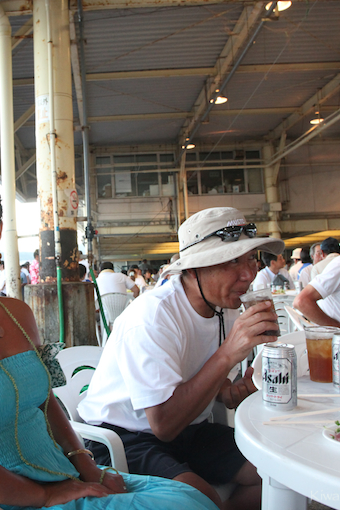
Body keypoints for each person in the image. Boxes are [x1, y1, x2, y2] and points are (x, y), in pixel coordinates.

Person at [0, 170, 216, 510]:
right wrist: (45, 496)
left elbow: (47, 403)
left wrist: (88, 469)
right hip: (3, 497)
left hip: (62, 476)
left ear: (0, 229)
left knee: (194, 497)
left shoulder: (19, 314)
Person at [78, 207, 283, 510]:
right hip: (123, 438)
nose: (248, 273)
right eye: (232, 261)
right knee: (199, 500)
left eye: (252, 258)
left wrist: (233, 390)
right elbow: (163, 424)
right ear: (194, 269)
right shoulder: (153, 316)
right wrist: (228, 354)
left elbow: (215, 387)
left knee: (279, 473)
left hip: (189, 428)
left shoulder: (224, 307)